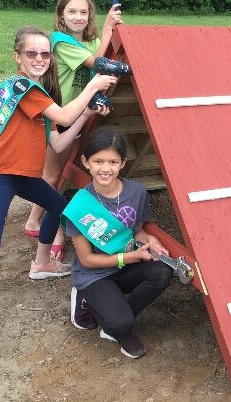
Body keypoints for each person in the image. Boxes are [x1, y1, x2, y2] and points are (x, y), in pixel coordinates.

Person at [0, 26, 117, 364]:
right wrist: (93, 84)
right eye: (32, 53)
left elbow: (58, 142)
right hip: (0, 177)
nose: (40, 59)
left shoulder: (37, 95)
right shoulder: (21, 87)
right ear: (18, 57)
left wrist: (86, 112)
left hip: (24, 177)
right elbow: (63, 115)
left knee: (63, 207)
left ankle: (42, 263)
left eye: (45, 54)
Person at [24, 0, 123, 262]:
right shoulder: (59, 41)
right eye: (72, 12)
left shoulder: (89, 43)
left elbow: (98, 57)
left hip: (75, 113)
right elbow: (95, 62)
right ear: (61, 16)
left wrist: (108, 30)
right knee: (52, 175)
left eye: (84, 12)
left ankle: (41, 221)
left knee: (57, 175)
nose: (78, 17)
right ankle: (43, 225)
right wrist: (107, 28)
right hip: (59, 114)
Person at [65, 128, 173, 359]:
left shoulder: (137, 191)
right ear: (85, 162)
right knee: (120, 321)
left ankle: (116, 326)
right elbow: (87, 259)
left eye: (113, 161)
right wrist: (131, 257)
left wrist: (151, 240)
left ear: (123, 163)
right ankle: (100, 309)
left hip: (124, 266)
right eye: (98, 161)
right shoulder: (80, 205)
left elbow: (138, 230)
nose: (105, 168)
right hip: (94, 273)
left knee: (163, 271)